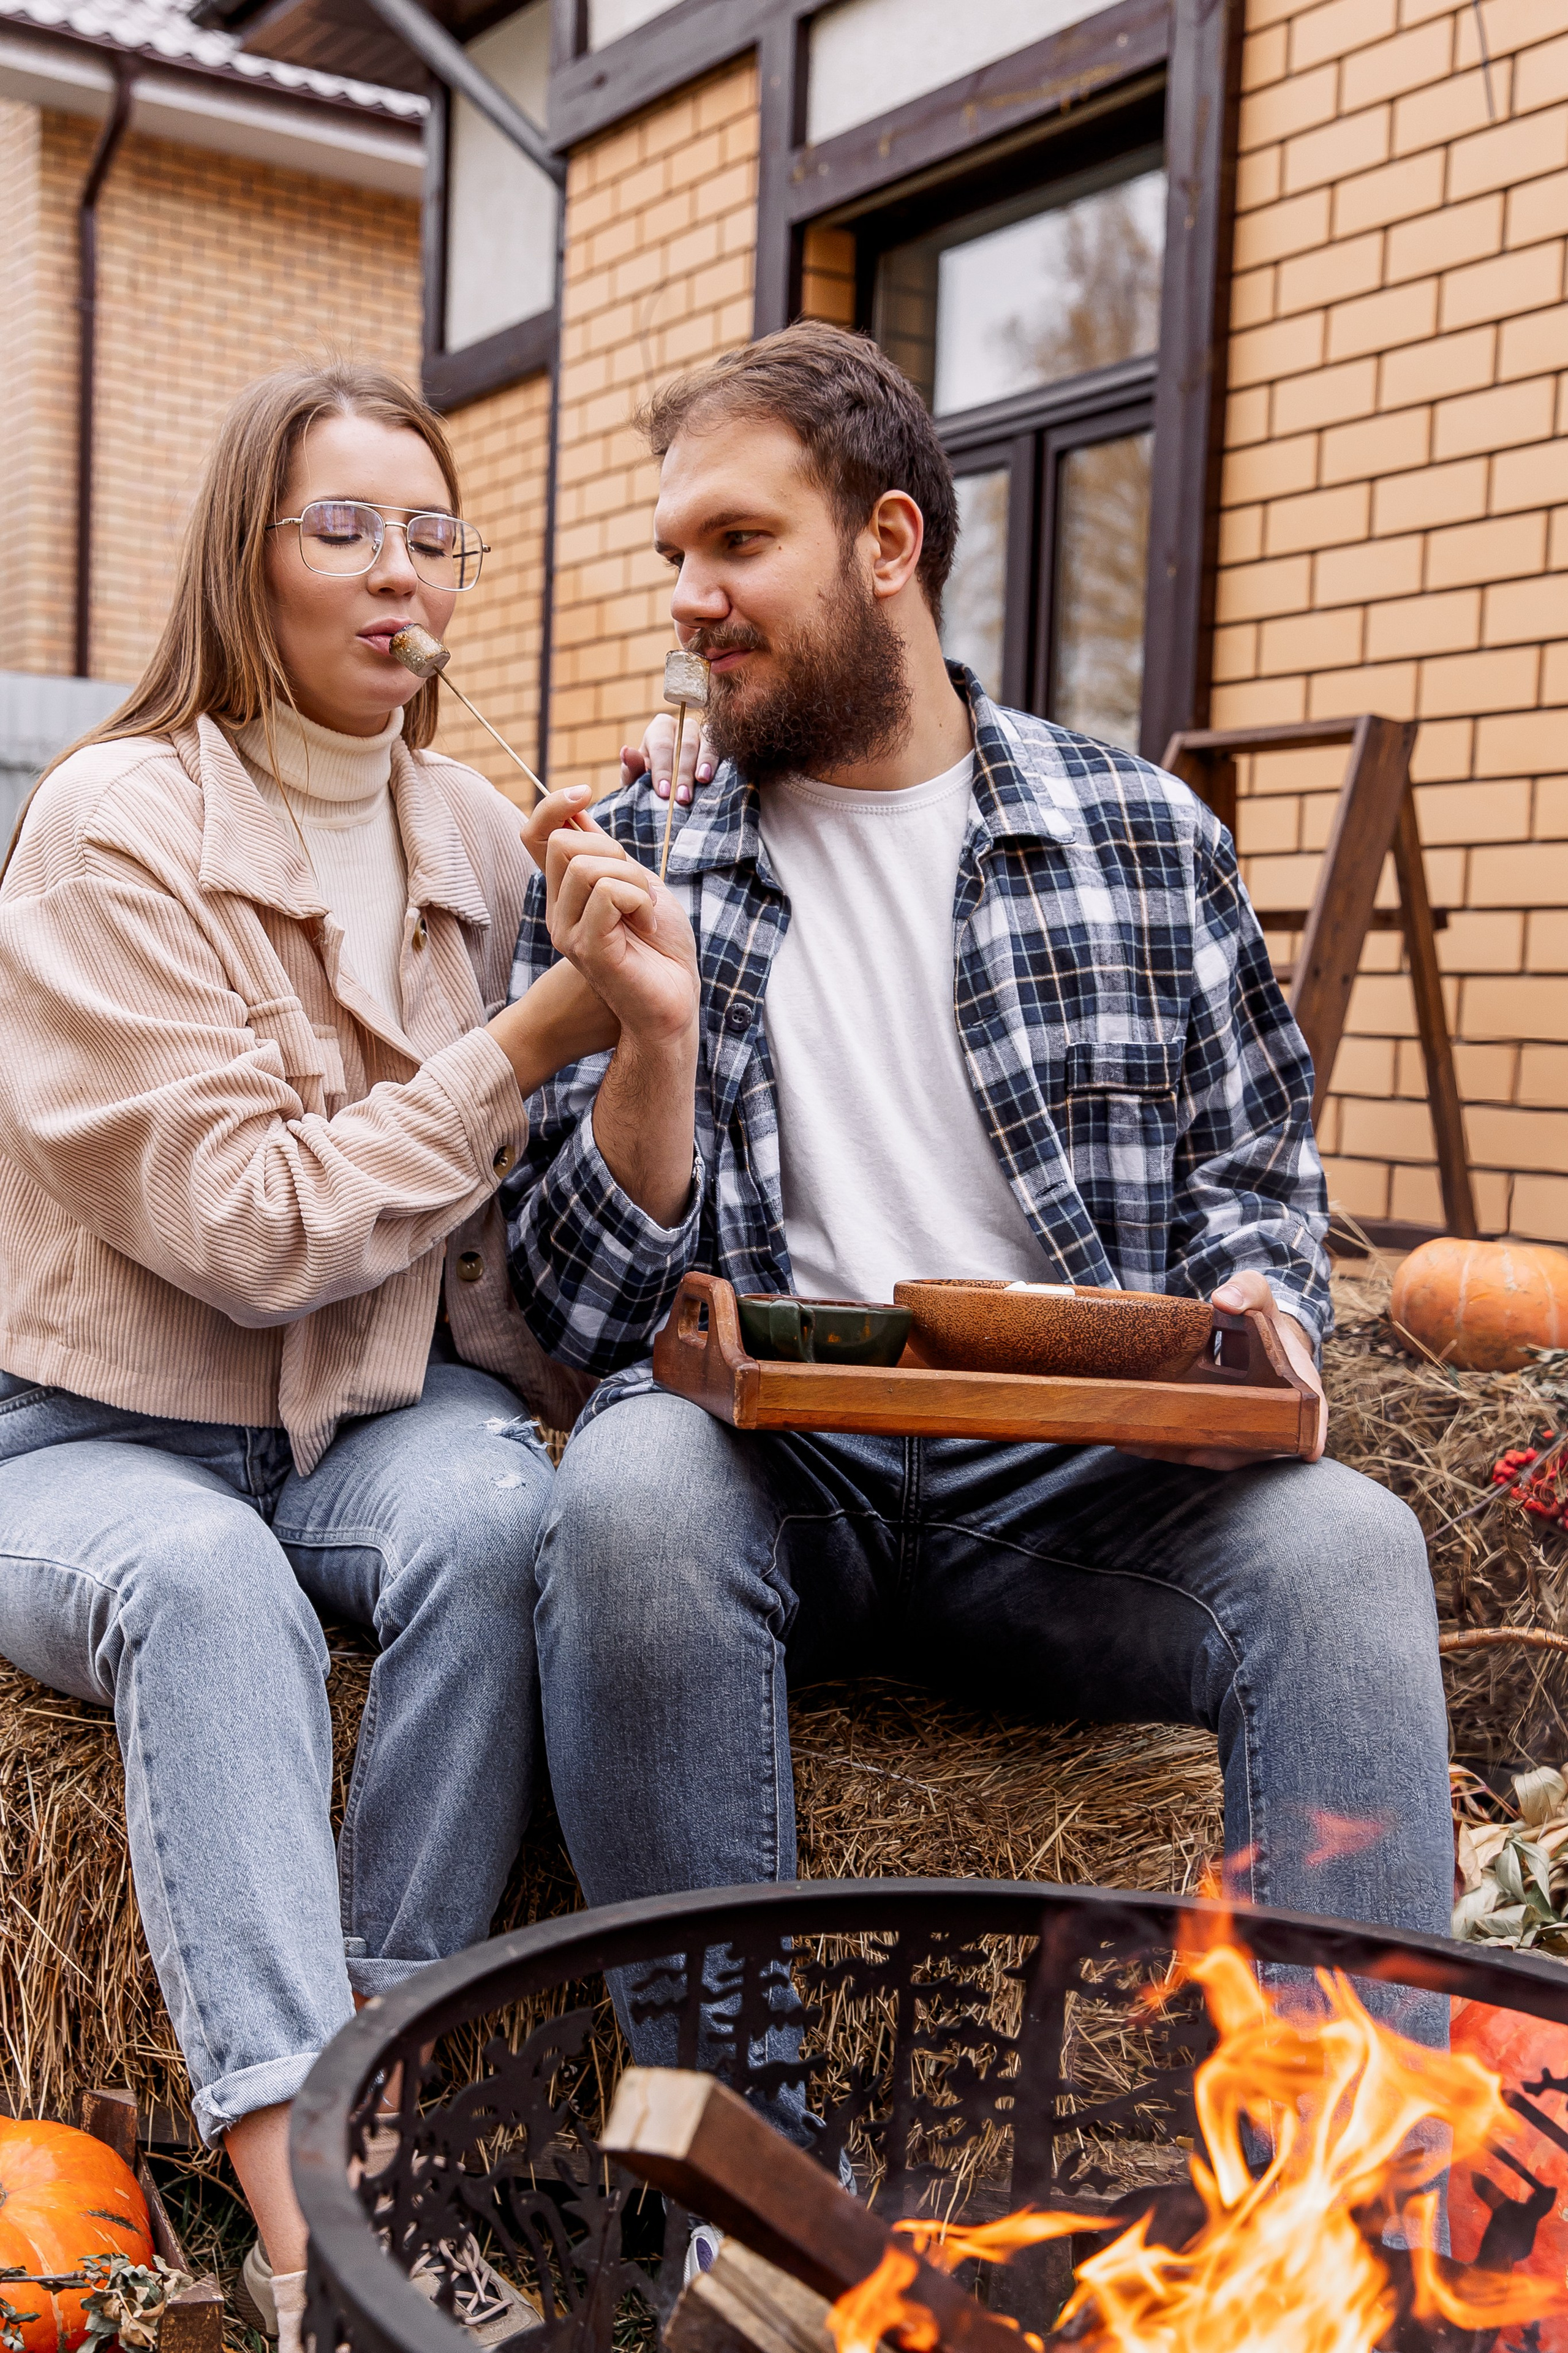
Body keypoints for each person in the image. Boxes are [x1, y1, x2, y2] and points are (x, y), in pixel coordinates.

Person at [507, 322, 1452, 2003]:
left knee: (1351, 1549)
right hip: (783, 1476)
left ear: (888, 545)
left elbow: (1257, 1166)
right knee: (631, 1493)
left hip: (1077, 1477)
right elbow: (577, 1317)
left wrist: (1256, 1311)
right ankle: (744, 2195)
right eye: (674, 553)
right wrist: (646, 1033)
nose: (686, 594)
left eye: (738, 542)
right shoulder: (629, 862)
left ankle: (1360, 2221)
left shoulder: (1143, 832)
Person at [0, 363, 686, 2352]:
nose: (403, 575)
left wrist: (637, 1007)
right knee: (208, 1586)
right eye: (345, 529)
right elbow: (249, 1220)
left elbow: (494, 1265)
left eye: (436, 535)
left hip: (358, 1425)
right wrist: (532, 1035)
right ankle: (322, 2239)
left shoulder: (473, 830)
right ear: (248, 556)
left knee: (499, 1506)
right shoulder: (111, 825)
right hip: (83, 1438)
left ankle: (378, 2086)